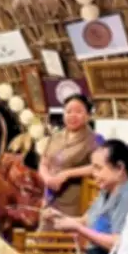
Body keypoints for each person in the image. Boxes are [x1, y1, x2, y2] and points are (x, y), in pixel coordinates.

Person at [38, 94, 98, 223]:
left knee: (66, 230)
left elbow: (97, 167)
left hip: (74, 200)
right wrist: (47, 178)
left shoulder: (94, 139)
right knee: (44, 232)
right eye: (68, 111)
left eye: (78, 112)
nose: (72, 115)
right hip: (49, 197)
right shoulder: (55, 136)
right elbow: (43, 163)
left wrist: (67, 174)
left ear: (88, 115)